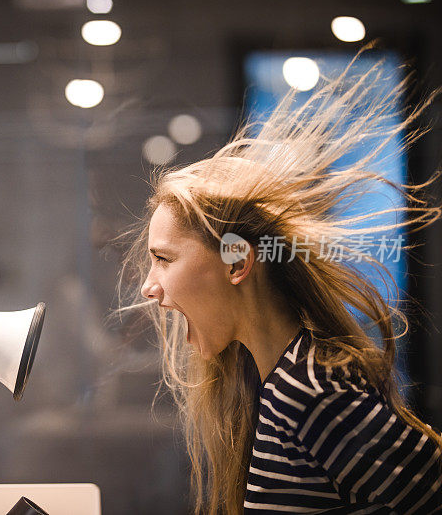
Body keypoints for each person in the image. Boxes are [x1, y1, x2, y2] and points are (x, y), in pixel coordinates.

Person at [120, 58, 442, 514]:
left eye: (164, 259)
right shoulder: (277, 381)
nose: (149, 288)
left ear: (237, 262)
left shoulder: (312, 390)